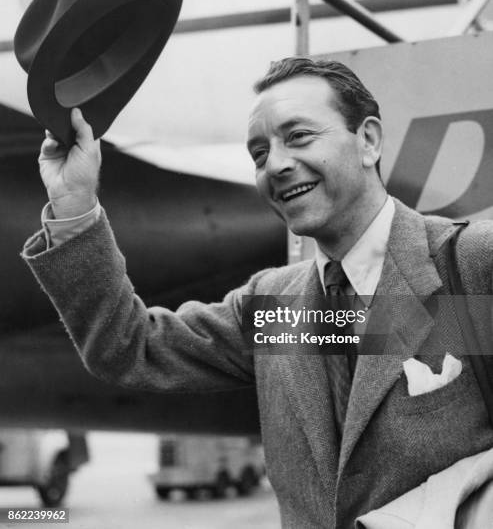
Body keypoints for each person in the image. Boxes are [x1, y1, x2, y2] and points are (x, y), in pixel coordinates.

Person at [22, 57, 493, 528]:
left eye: (299, 136)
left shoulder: (467, 268)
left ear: (368, 140)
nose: (278, 165)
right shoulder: (279, 311)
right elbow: (128, 347)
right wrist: (75, 206)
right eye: (260, 154)